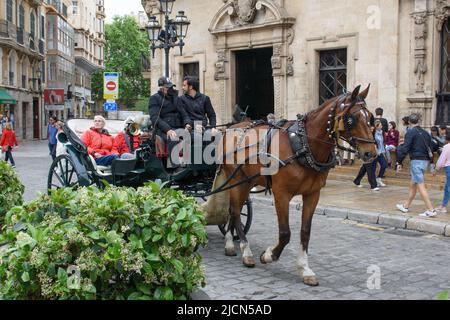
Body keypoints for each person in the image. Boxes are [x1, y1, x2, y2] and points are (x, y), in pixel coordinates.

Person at [396, 113, 436, 217]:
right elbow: (431, 148)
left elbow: (405, 148)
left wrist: (399, 162)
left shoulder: (411, 132)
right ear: (419, 121)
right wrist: (432, 164)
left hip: (416, 162)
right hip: (425, 161)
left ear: (409, 121)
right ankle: (405, 206)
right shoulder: (426, 133)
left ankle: (431, 209)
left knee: (420, 186)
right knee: (413, 185)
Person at [149, 76, 191, 160]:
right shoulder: (154, 98)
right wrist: (168, 129)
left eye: (171, 87)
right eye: (167, 87)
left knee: (195, 136)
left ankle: (196, 164)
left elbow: (184, 114)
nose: (170, 89)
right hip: (163, 130)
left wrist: (187, 124)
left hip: (179, 128)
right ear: (161, 88)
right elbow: (154, 118)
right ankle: (173, 166)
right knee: (173, 138)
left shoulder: (176, 99)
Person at [433, 132, 450, 215]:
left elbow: (441, 160)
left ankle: (443, 207)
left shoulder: (447, 147)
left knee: (448, 188)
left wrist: (436, 170)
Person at [373, 120, 388, 187]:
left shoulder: (382, 132)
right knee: (372, 167)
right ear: (376, 126)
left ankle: (379, 179)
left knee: (384, 165)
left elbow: (383, 142)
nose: (382, 126)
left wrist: (383, 150)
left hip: (381, 152)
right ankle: (358, 180)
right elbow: (373, 142)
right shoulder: (373, 133)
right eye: (380, 125)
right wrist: (376, 150)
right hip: (375, 152)